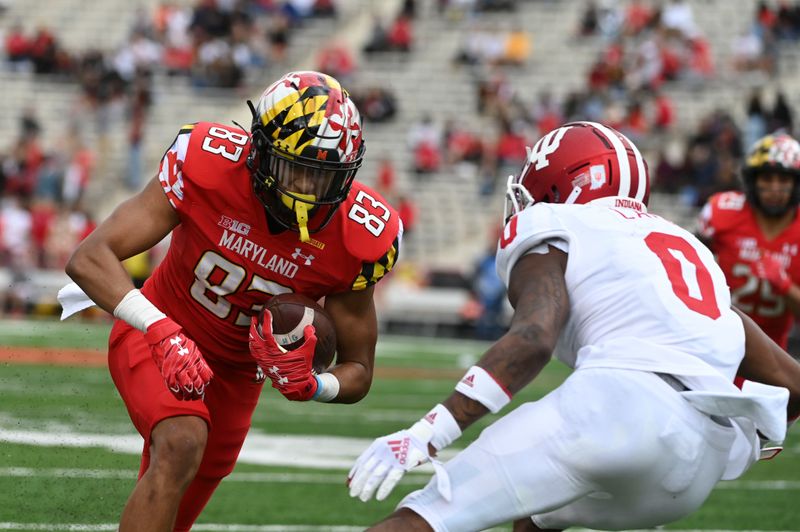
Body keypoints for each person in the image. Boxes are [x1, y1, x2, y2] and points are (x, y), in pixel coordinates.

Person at [347, 121, 800, 532]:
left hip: (617, 408)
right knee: (536, 517)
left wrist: (428, 433)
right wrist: (741, 443)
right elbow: (791, 383)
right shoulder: (686, 248)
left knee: (425, 518)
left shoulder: (556, 221)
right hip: (699, 462)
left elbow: (533, 338)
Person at [62, 70, 401, 531]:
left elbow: (359, 368)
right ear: (259, 151)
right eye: (297, 168)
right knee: (181, 441)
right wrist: (160, 329)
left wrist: (314, 384)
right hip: (157, 331)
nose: (308, 189)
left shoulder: (358, 235)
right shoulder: (208, 163)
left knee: (176, 508)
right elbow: (90, 257)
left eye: (324, 176)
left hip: (238, 378)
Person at [698, 132, 800, 351]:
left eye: (783, 180)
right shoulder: (722, 211)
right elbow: (688, 271)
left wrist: (785, 286)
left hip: (773, 352)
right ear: (753, 181)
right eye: (766, 178)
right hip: (715, 339)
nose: (774, 188)